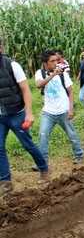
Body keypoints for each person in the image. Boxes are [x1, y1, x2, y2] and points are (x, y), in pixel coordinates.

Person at [0, 39, 48, 192]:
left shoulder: (12, 65)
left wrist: (29, 113)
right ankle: (5, 181)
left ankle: (44, 169)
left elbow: (25, 89)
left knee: (27, 144)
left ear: (0, 48)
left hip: (17, 113)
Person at [35, 50, 83, 167]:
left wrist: (71, 109)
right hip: (48, 112)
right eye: (52, 61)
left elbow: (71, 91)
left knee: (72, 134)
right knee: (43, 135)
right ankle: (43, 163)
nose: (56, 63)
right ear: (45, 63)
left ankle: (79, 156)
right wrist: (52, 75)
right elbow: (38, 85)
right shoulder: (40, 73)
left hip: (63, 111)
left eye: (57, 60)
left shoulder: (63, 74)